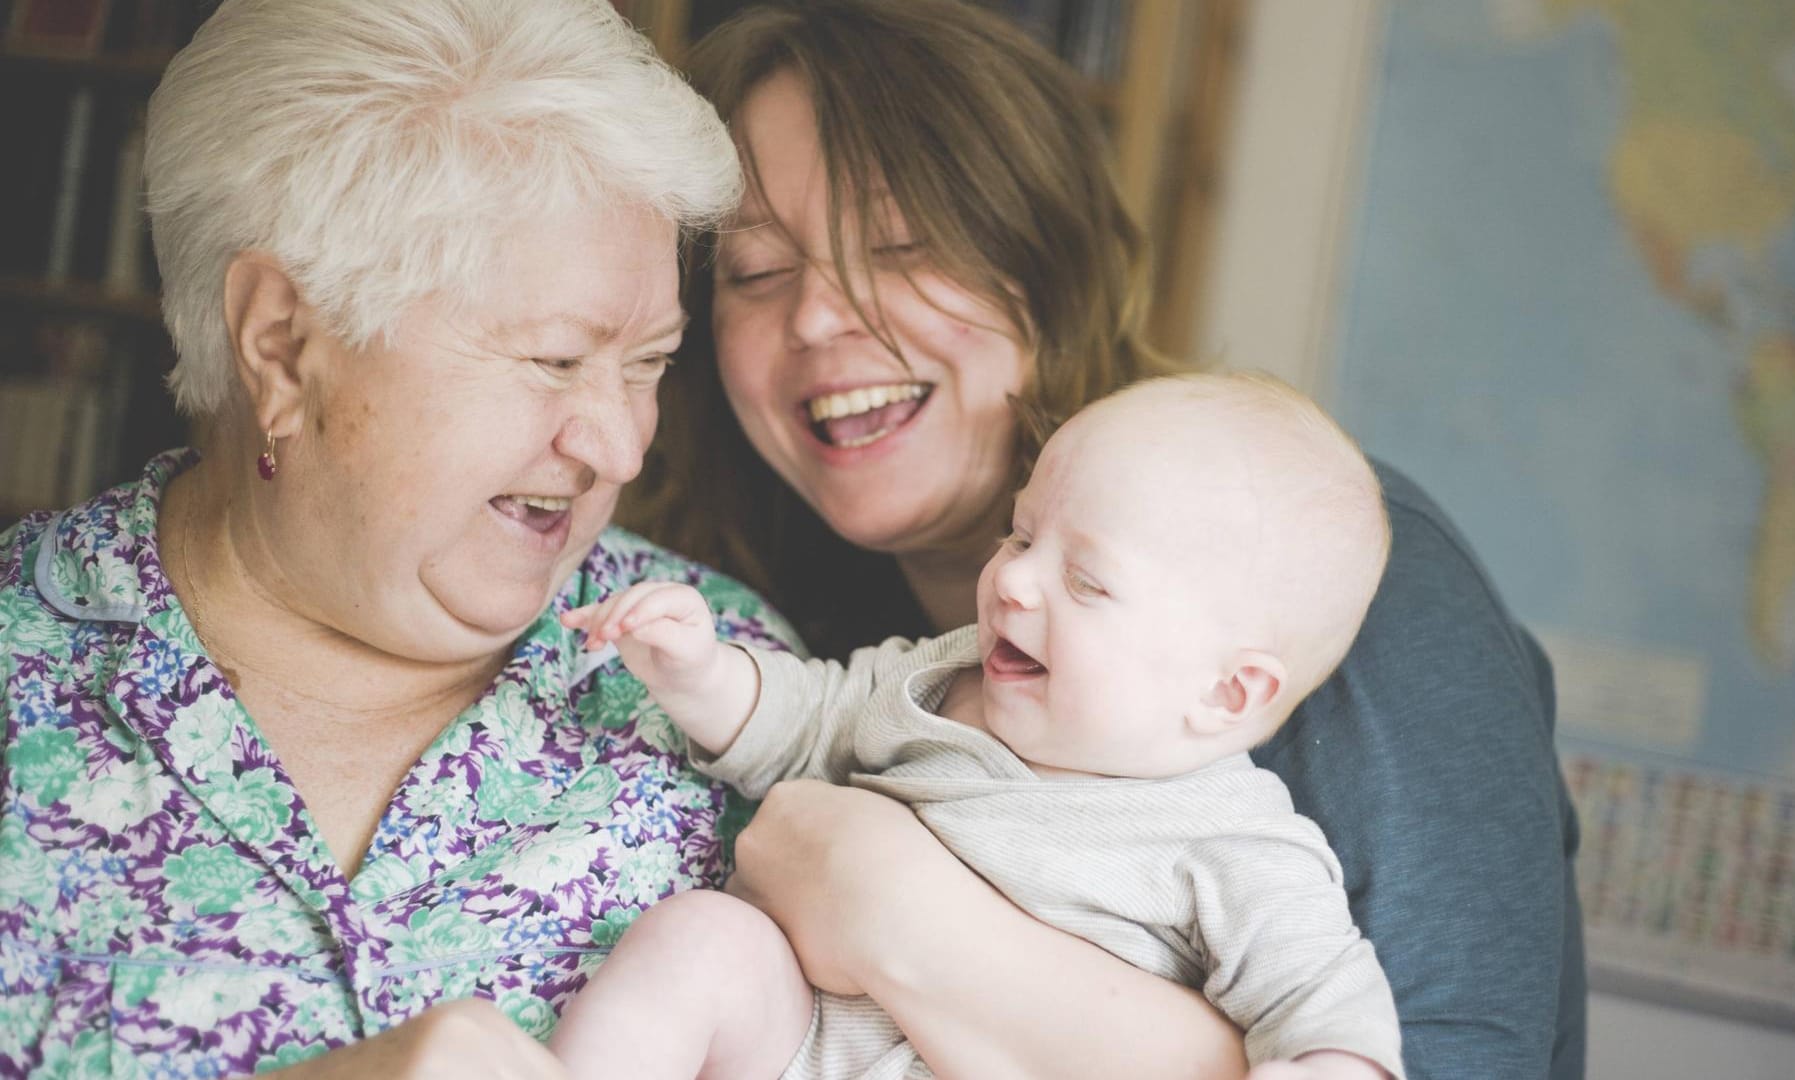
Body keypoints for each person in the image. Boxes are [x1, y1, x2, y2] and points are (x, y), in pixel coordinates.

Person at [628, 1, 1587, 1077]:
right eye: (756, 272)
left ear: (1043, 262)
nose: (816, 318)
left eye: (899, 245)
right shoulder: (791, 623)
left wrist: (896, 912)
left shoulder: (1321, 580)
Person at [0, 1, 794, 1076]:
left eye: (648, 363)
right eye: (556, 359)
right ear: (283, 347)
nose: (618, 446)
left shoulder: (739, 699)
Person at [558, 373, 1405, 1080]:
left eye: (1087, 582)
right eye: (1021, 534)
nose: (1014, 583)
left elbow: (1331, 1015)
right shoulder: (944, 676)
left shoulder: (1241, 846)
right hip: (800, 1048)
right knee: (701, 940)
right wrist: (701, 673)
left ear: (1226, 693)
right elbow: (805, 719)